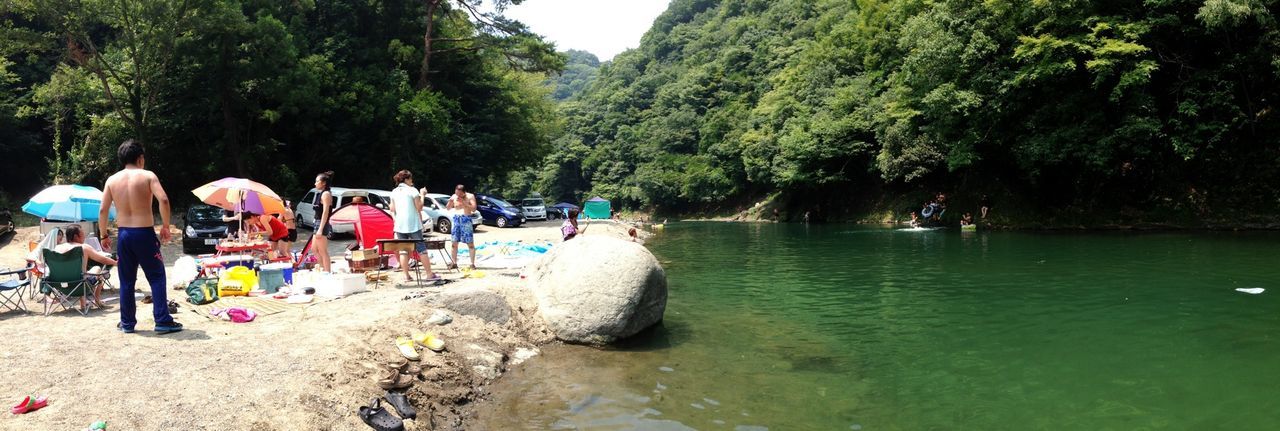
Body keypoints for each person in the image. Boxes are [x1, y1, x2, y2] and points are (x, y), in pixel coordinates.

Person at [98, 139, 182, 334]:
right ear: (140, 158)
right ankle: (162, 320)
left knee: (126, 280)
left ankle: (127, 323)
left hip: (124, 235)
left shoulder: (112, 180)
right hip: (144, 233)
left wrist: (103, 235)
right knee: (157, 276)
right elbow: (164, 199)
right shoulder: (147, 176)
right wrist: (166, 226)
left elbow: (103, 210)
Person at [53, 225, 117, 309]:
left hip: (60, 285)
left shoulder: (57, 248)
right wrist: (116, 263)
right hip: (80, 285)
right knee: (97, 269)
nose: (84, 236)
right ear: (76, 236)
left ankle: (83, 304)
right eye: (83, 234)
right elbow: (103, 260)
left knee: (80, 272)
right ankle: (97, 301)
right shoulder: (84, 247)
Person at [388, 170, 436, 281]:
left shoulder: (394, 191)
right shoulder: (412, 190)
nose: (412, 181)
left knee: (403, 250)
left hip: (400, 225)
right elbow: (419, 207)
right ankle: (429, 274)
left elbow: (392, 209)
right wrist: (422, 195)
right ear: (406, 179)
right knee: (421, 249)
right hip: (413, 224)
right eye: (410, 179)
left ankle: (406, 275)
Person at [445, 184, 477, 270]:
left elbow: (474, 209)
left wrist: (464, 202)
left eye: (460, 194)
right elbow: (447, 208)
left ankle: (472, 263)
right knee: (454, 243)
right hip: (456, 219)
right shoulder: (454, 196)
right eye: (457, 193)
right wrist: (451, 201)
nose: (458, 195)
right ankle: (454, 262)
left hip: (466, 219)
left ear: (464, 192)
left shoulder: (470, 196)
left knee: (470, 243)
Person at [311, 171, 335, 272]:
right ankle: (323, 269)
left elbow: (325, 212)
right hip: (317, 222)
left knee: (322, 251)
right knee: (314, 249)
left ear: (324, 183)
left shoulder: (326, 194)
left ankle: (327, 272)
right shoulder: (321, 193)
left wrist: (320, 229)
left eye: (317, 181)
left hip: (322, 223)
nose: (315, 183)